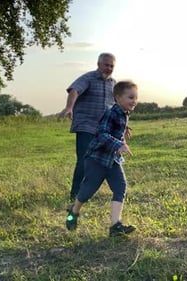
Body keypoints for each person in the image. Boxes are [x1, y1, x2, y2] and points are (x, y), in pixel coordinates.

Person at [66, 80, 138, 237]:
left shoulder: (123, 113)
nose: (134, 101)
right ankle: (73, 211)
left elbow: (115, 128)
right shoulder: (111, 112)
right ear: (118, 98)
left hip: (112, 160)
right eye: (130, 97)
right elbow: (101, 133)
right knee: (87, 191)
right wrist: (119, 144)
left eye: (135, 98)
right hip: (97, 159)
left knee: (120, 187)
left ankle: (115, 226)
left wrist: (124, 130)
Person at [60, 53, 128, 202]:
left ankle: (89, 193)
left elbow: (118, 105)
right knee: (84, 160)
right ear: (99, 64)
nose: (109, 68)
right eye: (106, 65)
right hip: (86, 125)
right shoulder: (88, 78)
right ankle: (75, 194)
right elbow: (75, 90)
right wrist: (69, 107)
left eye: (112, 66)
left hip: (104, 130)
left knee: (103, 160)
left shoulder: (113, 84)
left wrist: (125, 125)